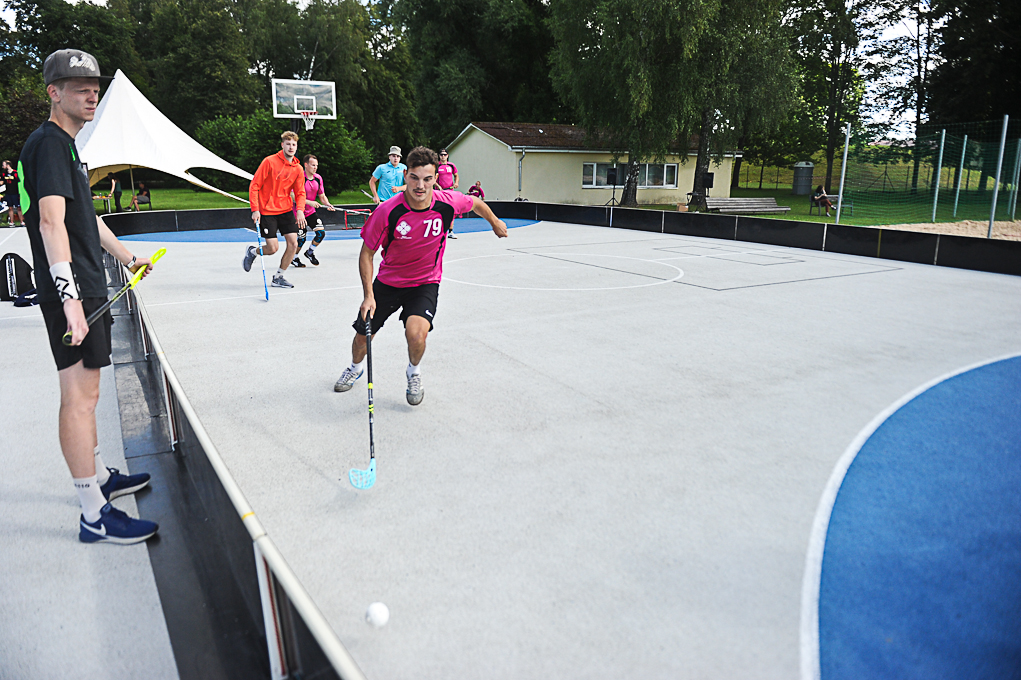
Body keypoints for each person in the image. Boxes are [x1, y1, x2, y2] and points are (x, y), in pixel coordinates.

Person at [23, 49, 158, 544]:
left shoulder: (68, 147)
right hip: (73, 294)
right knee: (79, 399)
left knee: (89, 394)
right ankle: (92, 514)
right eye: (80, 88)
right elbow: (50, 223)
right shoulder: (49, 145)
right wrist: (70, 300)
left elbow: (85, 218)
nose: (91, 95)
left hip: (85, 287)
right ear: (54, 92)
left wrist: (127, 256)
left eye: (95, 87)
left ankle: (99, 478)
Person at [334, 146, 508, 405]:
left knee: (417, 335)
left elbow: (476, 203)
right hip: (389, 282)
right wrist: (368, 295)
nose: (420, 185)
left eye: (427, 179)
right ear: (406, 175)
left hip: (425, 282)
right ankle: (354, 367)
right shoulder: (388, 211)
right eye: (414, 178)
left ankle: (413, 372)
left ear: (435, 178)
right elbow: (366, 254)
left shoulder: (446, 202)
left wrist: (495, 222)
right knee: (362, 337)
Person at [242, 131, 307, 288]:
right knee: (272, 248)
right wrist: (255, 209)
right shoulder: (269, 162)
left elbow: (300, 192)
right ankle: (252, 252)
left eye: (294, 144)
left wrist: (300, 210)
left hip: (286, 210)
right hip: (267, 211)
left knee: (293, 244)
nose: (291, 147)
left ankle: (278, 277)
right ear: (282, 145)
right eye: (288, 144)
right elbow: (254, 185)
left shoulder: (298, 168)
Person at [291, 153, 336, 268]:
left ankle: (310, 252)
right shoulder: (299, 178)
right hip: (298, 213)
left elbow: (322, 196)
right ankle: (294, 258)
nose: (315, 168)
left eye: (316, 165)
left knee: (321, 233)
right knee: (302, 238)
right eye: (313, 165)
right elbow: (292, 196)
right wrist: (309, 202)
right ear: (306, 165)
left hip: (310, 212)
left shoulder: (318, 178)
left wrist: (328, 204)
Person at [435, 149, 460, 237]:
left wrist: (456, 183)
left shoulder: (451, 165)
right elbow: (433, 179)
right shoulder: (437, 166)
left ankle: (450, 231)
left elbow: (456, 175)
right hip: (440, 192)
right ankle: (439, 231)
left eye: (444, 154)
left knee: (451, 210)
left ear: (447, 155)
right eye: (441, 154)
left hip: (450, 191)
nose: (443, 156)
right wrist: (439, 187)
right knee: (439, 211)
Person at [2, 160, 23, 226]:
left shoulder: (15, 173)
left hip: (15, 193)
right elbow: (2, 182)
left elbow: (19, 182)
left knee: (18, 208)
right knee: (10, 208)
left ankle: (22, 221)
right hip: (8, 193)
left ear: (8, 165)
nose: (2, 166)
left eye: (3, 165)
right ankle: (11, 222)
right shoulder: (4, 174)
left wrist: (20, 193)